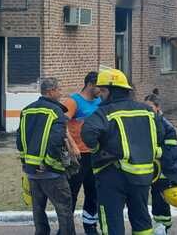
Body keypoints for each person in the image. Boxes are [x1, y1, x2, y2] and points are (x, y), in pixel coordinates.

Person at [81, 69, 159, 235]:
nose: (100, 94)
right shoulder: (147, 111)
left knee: (112, 222)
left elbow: (88, 133)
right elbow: (163, 132)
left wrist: (96, 149)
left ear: (110, 91)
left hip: (113, 175)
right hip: (143, 174)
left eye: (102, 90)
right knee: (142, 221)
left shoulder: (104, 112)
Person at [16, 77, 75, 235]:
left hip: (32, 173)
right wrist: (48, 163)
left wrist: (26, 163)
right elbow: (56, 141)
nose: (61, 93)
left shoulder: (27, 110)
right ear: (51, 91)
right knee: (64, 209)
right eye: (59, 90)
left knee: (38, 210)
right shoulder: (56, 112)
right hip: (52, 173)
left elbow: (20, 139)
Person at [60, 72, 102, 235]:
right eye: (99, 86)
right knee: (71, 192)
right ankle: (66, 228)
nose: (102, 90)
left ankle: (90, 226)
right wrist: (72, 146)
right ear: (91, 84)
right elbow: (61, 124)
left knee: (93, 192)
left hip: (95, 154)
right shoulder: (73, 101)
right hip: (77, 155)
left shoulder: (100, 102)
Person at [142, 90, 177, 235]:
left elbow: (170, 152)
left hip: (162, 170)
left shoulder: (167, 127)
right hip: (144, 168)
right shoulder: (142, 124)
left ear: (158, 108)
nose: (147, 111)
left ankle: (163, 227)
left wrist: (154, 152)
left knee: (160, 199)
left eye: (150, 108)